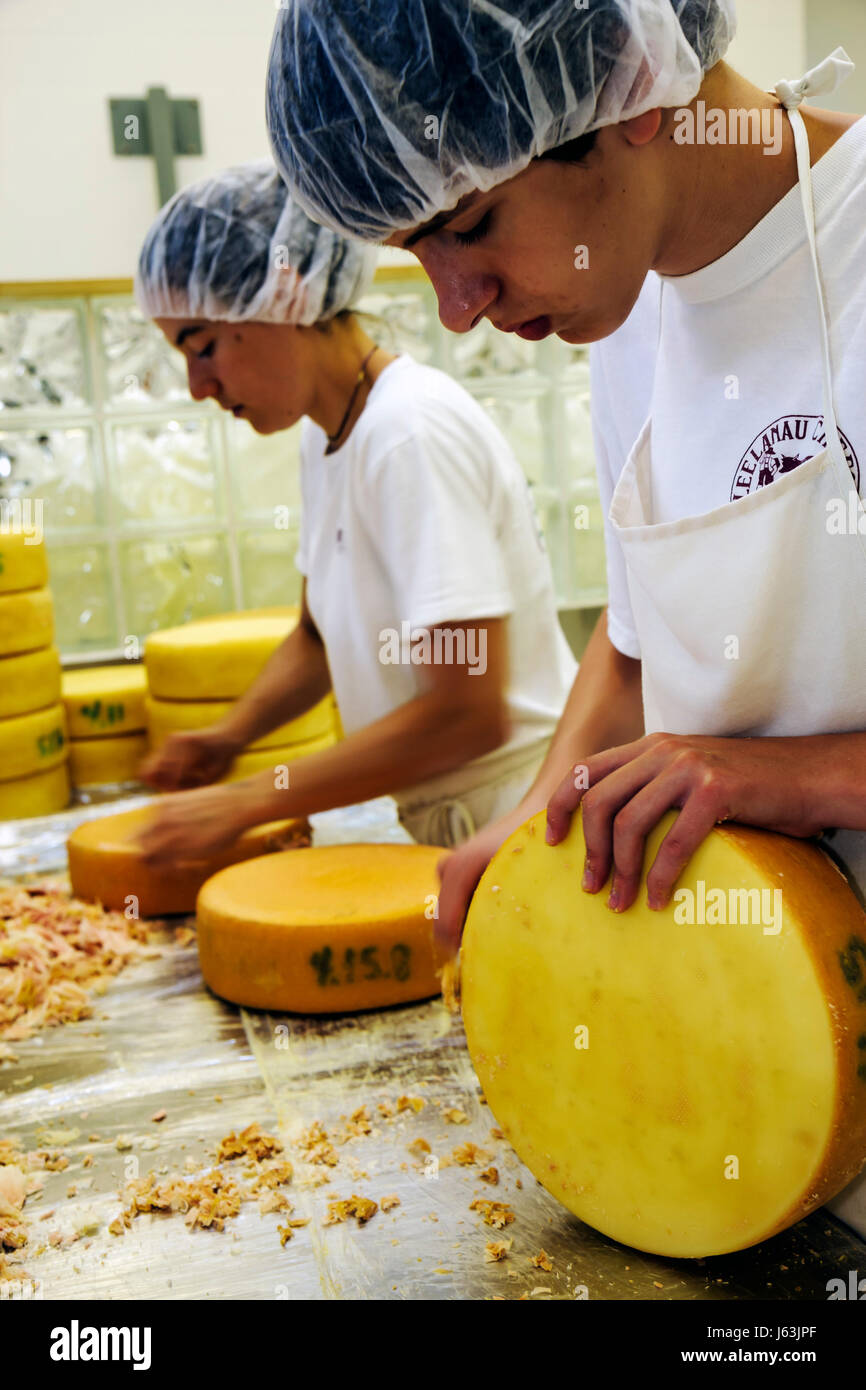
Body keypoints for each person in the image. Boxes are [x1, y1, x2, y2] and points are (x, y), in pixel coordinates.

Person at [265, 0, 866, 944]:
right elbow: (633, 651)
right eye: (415, 255)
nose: (456, 310)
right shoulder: (627, 307)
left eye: (472, 223)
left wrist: (802, 776)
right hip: (745, 1006)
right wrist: (535, 818)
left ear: (630, 77)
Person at [132, 161, 576, 861]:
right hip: (451, 817)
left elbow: (467, 717)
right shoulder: (330, 432)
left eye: (202, 346)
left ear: (284, 295)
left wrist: (248, 798)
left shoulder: (407, 433)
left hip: (520, 819)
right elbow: (316, 637)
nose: (197, 387)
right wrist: (228, 739)